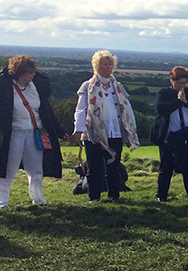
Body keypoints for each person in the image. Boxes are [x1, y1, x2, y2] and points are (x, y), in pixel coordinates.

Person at [0, 55, 69, 207]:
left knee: (36, 168)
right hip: (14, 132)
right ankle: (2, 201)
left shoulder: (36, 87)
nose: (33, 75)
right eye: (29, 72)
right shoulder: (4, 86)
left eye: (33, 72)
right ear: (19, 72)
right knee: (8, 169)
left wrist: (60, 131)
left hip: (35, 132)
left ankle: (38, 199)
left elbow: (47, 112)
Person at [73, 50, 139, 202]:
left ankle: (114, 196)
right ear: (97, 66)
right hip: (93, 134)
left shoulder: (118, 86)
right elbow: (81, 110)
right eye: (104, 64)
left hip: (115, 132)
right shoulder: (87, 86)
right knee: (94, 168)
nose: (108, 67)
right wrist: (79, 129)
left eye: (110, 64)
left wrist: (130, 131)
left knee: (114, 167)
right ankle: (94, 198)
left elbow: (127, 110)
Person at [151, 66, 188, 202]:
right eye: (179, 83)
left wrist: (186, 102)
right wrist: (178, 101)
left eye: (184, 83)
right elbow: (161, 109)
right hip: (170, 136)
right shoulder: (163, 93)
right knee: (166, 167)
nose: (182, 86)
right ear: (172, 80)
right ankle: (161, 196)